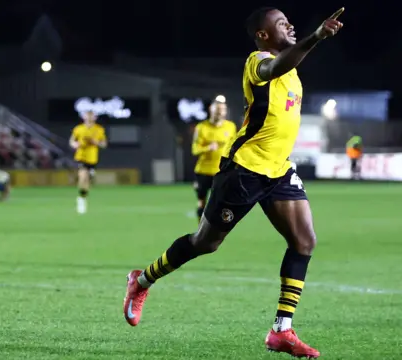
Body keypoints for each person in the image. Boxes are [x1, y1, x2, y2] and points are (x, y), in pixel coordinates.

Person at [122, 6, 344, 358]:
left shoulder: (293, 69)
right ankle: (142, 281)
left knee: (304, 241)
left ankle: (281, 331)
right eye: (279, 22)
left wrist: (311, 41)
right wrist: (315, 37)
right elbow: (276, 66)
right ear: (262, 35)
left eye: (289, 19)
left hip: (279, 170)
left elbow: (287, 71)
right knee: (205, 243)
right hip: (244, 170)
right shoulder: (257, 62)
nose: (288, 24)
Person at [191, 99, 237, 221]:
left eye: (222, 110)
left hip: (221, 172)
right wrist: (208, 148)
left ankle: (216, 230)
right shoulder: (201, 127)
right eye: (217, 109)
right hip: (203, 171)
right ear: (211, 110)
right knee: (202, 202)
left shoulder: (230, 127)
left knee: (222, 203)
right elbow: (195, 149)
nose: (219, 112)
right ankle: (200, 230)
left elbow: (234, 147)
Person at [69, 111, 107, 214]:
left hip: (93, 158)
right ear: (84, 117)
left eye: (91, 116)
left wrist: (97, 143)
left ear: (95, 118)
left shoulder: (99, 129)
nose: (89, 118)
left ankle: (83, 196)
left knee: (88, 181)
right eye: (87, 116)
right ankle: (81, 200)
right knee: (82, 176)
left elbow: (104, 144)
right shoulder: (78, 129)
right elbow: (72, 141)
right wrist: (76, 145)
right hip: (81, 156)